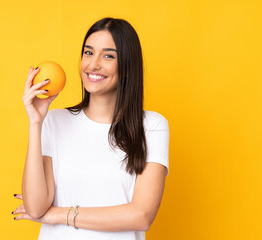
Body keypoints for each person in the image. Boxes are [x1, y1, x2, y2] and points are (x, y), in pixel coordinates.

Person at [12, 17, 170, 240]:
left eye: (108, 56)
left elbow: (142, 215)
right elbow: (36, 208)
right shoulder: (54, 121)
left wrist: (58, 214)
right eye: (88, 52)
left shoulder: (152, 127)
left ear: (127, 67)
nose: (93, 64)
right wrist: (35, 122)